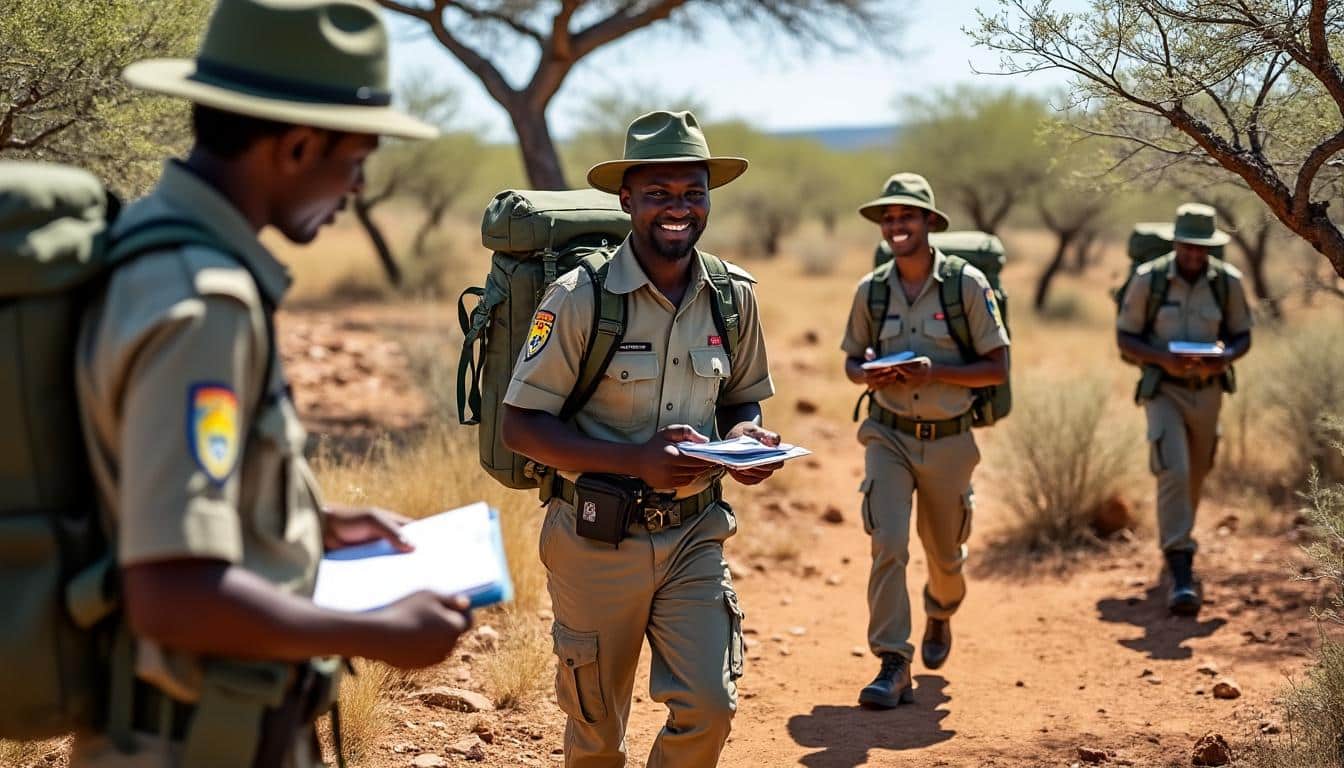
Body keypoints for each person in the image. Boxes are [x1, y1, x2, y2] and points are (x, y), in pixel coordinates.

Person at [72, 1, 471, 765]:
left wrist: (318, 522)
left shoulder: (148, 247)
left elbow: (155, 490)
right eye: (356, 160)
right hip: (198, 740)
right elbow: (172, 594)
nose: (356, 187)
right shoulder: (205, 302)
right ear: (296, 145)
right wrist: (382, 632)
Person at [500, 110, 777, 768]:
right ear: (627, 200)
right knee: (596, 734)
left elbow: (741, 397)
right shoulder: (580, 298)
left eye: (692, 193)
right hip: (596, 539)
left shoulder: (732, 296)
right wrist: (636, 461)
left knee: (710, 708)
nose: (678, 209)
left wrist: (744, 439)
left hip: (695, 533)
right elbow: (520, 426)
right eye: (659, 193)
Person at [841, 173, 1010, 709]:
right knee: (888, 543)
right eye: (888, 218)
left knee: (946, 557)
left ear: (929, 222)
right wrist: (869, 374)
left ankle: (941, 609)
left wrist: (934, 371)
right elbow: (851, 361)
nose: (896, 226)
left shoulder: (966, 286)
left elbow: (997, 368)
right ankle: (894, 662)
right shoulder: (871, 291)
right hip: (887, 434)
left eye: (906, 216)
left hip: (949, 440)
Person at [1116, 203, 1253, 615]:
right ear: (1175, 243)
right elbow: (1125, 337)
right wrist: (1163, 360)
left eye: (1201, 248)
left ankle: (1177, 541)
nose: (1194, 254)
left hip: (1209, 392)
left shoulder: (1228, 282)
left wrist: (1224, 357)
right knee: (1173, 469)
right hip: (1164, 390)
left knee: (1197, 471)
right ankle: (1180, 569)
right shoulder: (1149, 279)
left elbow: (1243, 335)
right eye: (1188, 246)